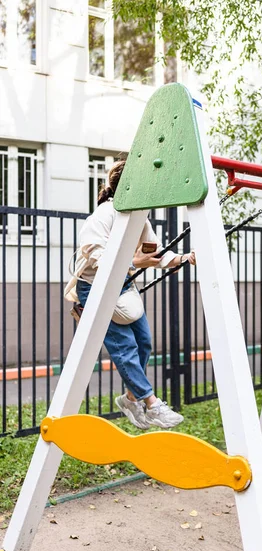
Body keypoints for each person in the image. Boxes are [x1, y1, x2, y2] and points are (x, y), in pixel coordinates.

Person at [65, 160, 195, 430]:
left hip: (123, 285)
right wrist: (134, 263)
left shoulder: (139, 217)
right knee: (125, 348)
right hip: (96, 287)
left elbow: (155, 253)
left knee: (144, 343)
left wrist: (184, 257)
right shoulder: (106, 213)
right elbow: (95, 254)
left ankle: (130, 398)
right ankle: (151, 404)